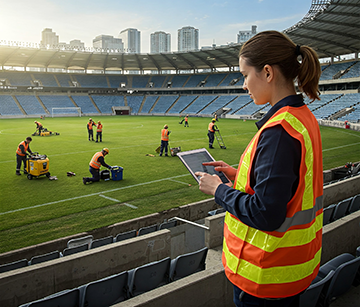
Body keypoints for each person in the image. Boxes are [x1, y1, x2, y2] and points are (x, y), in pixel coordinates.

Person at [195, 30, 323, 307]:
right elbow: (288, 182)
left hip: (266, 276)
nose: (243, 85)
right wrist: (237, 173)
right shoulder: (302, 117)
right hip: (291, 270)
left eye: (244, 75)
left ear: (267, 72)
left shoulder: (279, 131)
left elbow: (266, 214)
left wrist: (219, 191)